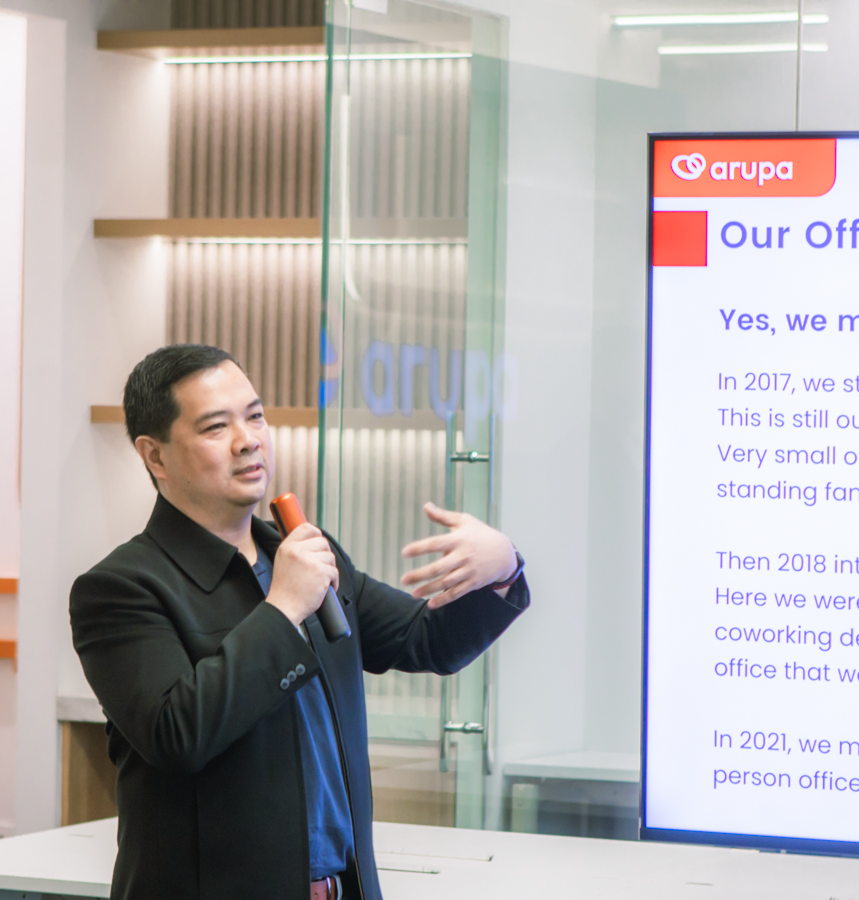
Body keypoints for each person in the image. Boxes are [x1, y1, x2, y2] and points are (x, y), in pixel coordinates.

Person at [70, 344, 529, 900]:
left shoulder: (303, 551)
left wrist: (502, 570)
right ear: (155, 456)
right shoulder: (120, 588)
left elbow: (425, 640)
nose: (248, 440)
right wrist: (283, 609)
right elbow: (177, 734)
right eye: (216, 426)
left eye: (255, 416)